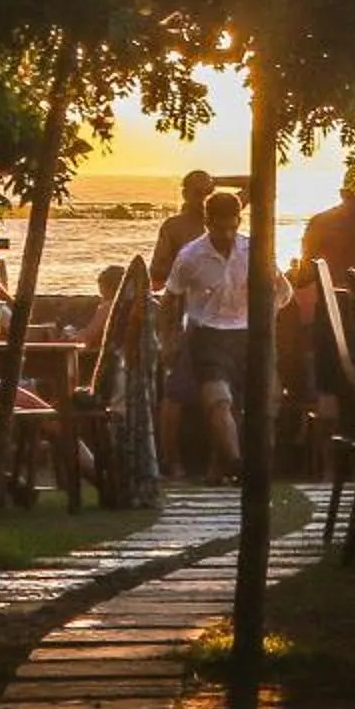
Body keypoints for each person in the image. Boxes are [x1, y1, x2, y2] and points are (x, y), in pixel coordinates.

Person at [159, 188, 250, 478]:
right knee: (183, 396)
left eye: (232, 227)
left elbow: (279, 292)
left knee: (231, 403)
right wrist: (167, 339)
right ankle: (172, 461)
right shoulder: (190, 255)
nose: (227, 235)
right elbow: (169, 297)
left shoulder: (251, 250)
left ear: (239, 221)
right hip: (201, 332)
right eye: (220, 228)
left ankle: (220, 465)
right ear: (208, 222)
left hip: (242, 333)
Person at [151, 170, 214, 284]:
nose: (204, 198)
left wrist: (215, 181)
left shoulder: (220, 223)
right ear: (185, 194)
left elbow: (249, 185)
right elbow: (157, 271)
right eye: (198, 193)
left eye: (208, 193)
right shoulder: (174, 226)